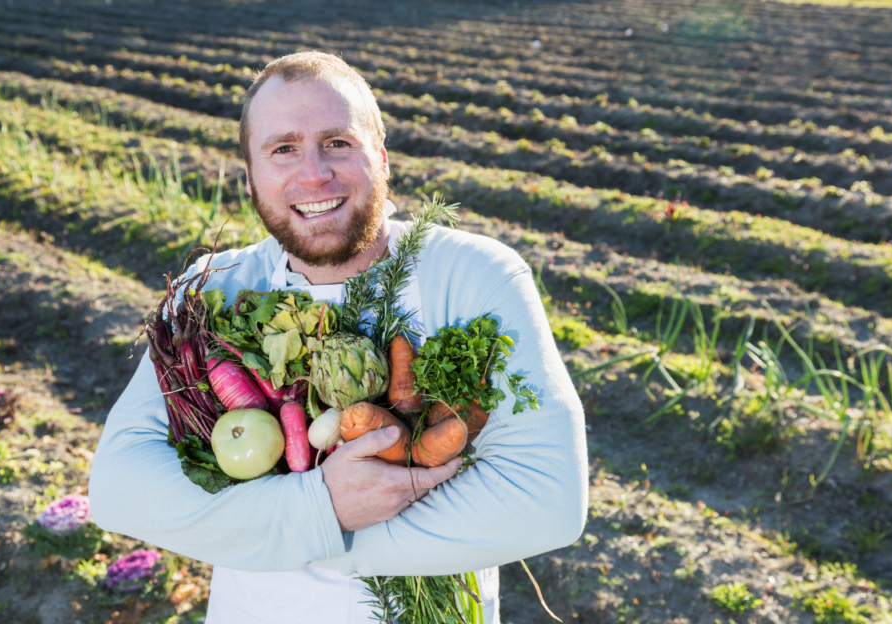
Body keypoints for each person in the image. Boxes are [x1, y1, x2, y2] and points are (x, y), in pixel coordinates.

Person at [89, 51, 588, 624]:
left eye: (337, 143)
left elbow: (547, 502)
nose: (314, 174)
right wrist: (321, 507)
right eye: (283, 149)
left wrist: (316, 532)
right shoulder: (212, 297)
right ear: (249, 178)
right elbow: (120, 487)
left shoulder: (474, 275)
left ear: (381, 158)